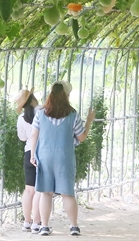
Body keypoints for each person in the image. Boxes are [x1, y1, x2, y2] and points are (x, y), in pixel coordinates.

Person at [30, 81, 95, 236]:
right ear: (66, 96)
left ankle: (44, 226)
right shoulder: (72, 115)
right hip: (64, 157)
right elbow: (82, 137)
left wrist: (33, 154)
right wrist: (89, 121)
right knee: (67, 193)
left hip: (44, 156)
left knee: (46, 192)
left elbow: (33, 135)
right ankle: (73, 227)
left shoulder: (40, 113)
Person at [16, 88, 42, 233]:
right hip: (42, 152)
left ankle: (27, 221)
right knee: (41, 189)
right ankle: (37, 223)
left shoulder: (21, 118)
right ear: (33, 98)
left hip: (28, 153)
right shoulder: (43, 111)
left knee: (29, 190)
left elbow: (22, 137)